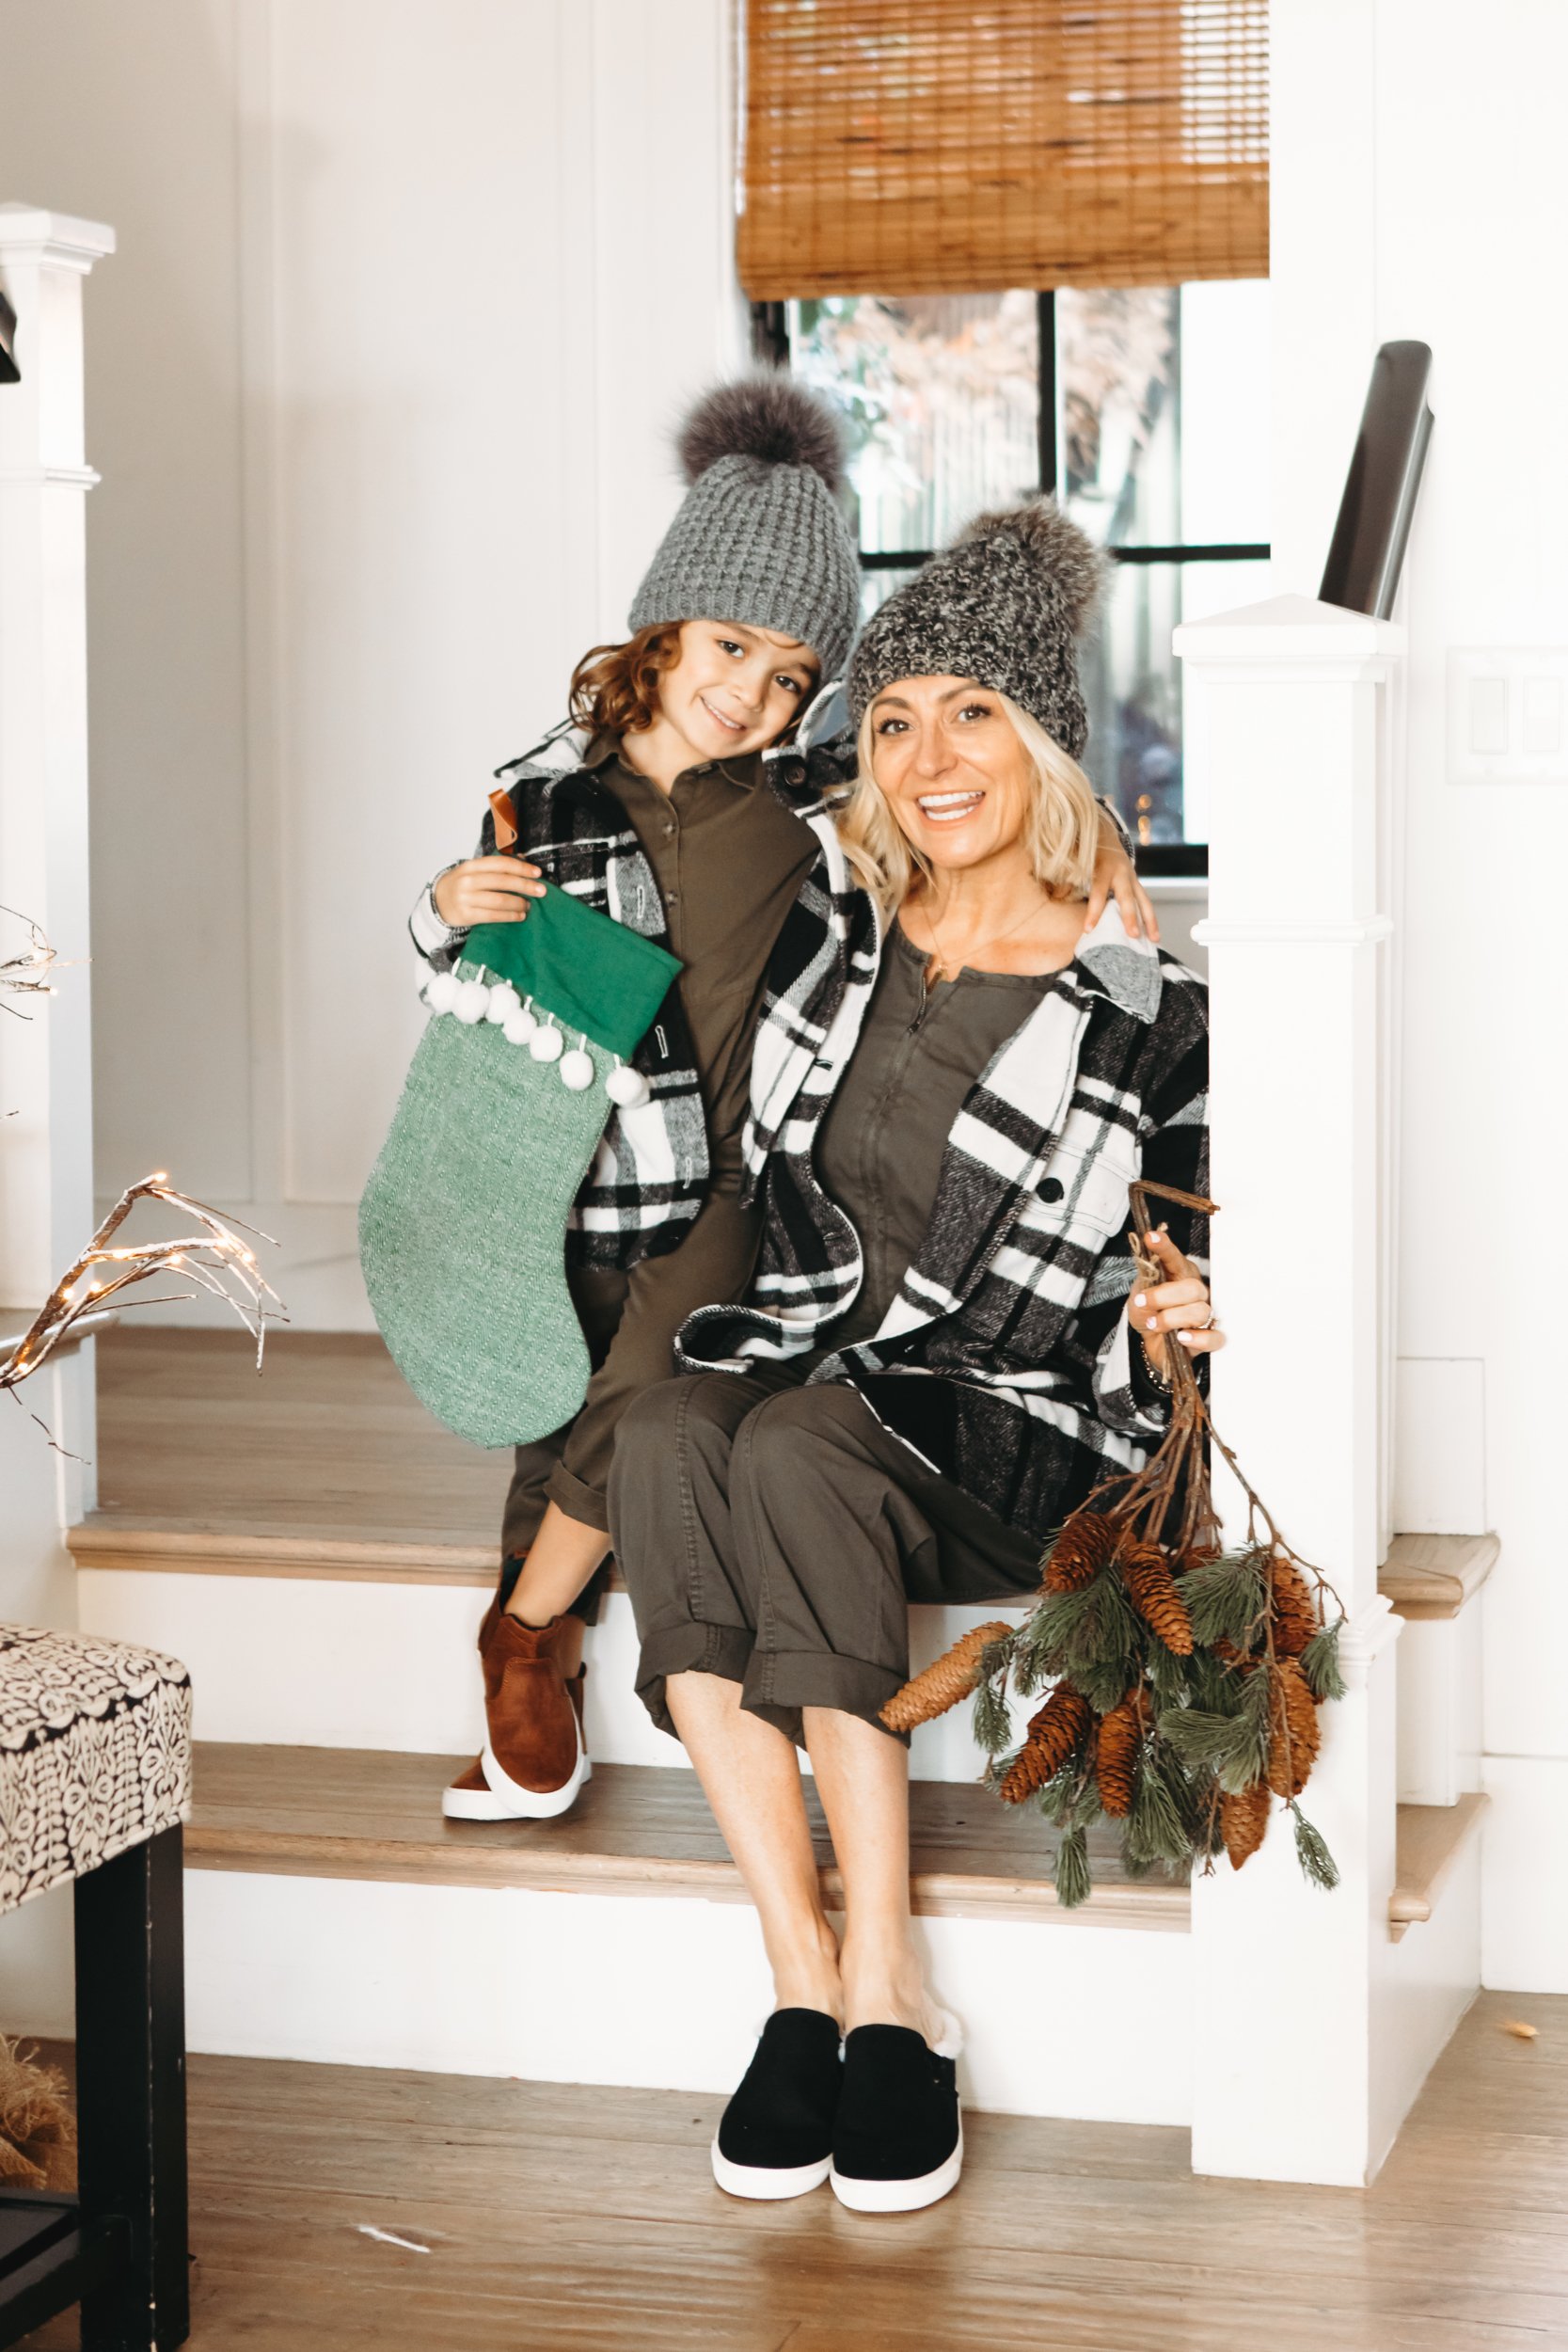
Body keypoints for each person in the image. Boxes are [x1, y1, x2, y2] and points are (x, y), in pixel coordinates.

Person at [412, 384, 1154, 1823]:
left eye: (788, 670)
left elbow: (964, 773)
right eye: (731, 647)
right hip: (573, 1163)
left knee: (665, 1361)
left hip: (742, 1173)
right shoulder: (541, 802)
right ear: (662, 626)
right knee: (554, 1400)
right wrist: (437, 916)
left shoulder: (809, 799)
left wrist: (1101, 842)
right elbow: (477, 980)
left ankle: (532, 1624)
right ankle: (527, 1671)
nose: (750, 691)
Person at [608, 498, 1224, 2214]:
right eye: (890, 719)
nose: (930, 755)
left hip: (1020, 1430)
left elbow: (1205, 1237)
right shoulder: (835, 938)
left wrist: (1185, 1304)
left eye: (972, 713)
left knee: (796, 1443)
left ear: (1040, 741)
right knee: (669, 1429)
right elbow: (662, 760)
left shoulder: (1144, 1004)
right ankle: (798, 1977)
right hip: (821, 1364)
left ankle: (892, 1992)